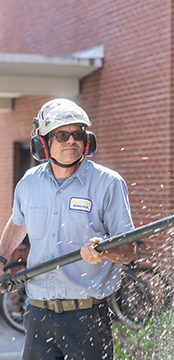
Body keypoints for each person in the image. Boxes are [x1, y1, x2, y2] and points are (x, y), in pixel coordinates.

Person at [0, 99, 135, 360]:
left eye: (77, 134)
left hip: (87, 319)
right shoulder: (30, 183)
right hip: (39, 315)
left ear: (87, 140)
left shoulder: (108, 184)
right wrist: (1, 256)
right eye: (62, 135)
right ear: (43, 143)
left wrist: (105, 251)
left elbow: (128, 251)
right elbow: (18, 222)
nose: (71, 141)